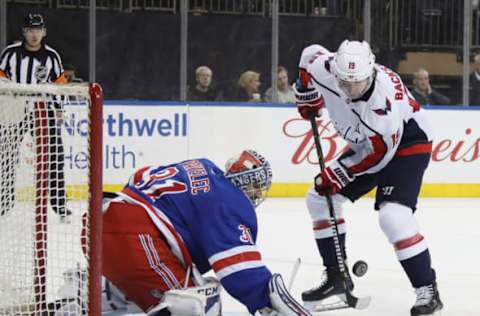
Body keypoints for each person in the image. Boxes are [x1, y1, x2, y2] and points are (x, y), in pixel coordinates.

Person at [293, 41, 443, 315]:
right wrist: (305, 92)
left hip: (407, 142)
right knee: (318, 199)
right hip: (369, 142)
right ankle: (337, 276)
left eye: (357, 84)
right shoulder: (327, 68)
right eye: (343, 82)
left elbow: (379, 156)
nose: (349, 90)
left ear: (371, 73)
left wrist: (340, 172)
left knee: (393, 217)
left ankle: (428, 289)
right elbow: (309, 54)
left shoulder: (381, 108)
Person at [101, 150, 311, 316]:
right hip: (135, 238)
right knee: (196, 304)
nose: (256, 193)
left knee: (172, 284)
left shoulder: (201, 166)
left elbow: (140, 177)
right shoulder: (227, 200)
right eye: (255, 185)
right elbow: (239, 270)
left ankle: (105, 293)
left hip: (100, 223)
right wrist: (267, 297)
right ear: (241, 181)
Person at [0, 13, 70, 221]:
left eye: (37, 30)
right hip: (15, 109)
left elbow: (59, 85)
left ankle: (59, 206)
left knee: (55, 155)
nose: (34, 34)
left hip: (43, 110)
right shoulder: (10, 54)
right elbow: (1, 78)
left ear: (44, 32)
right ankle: (4, 203)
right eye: (30, 30)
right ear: (24, 31)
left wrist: (59, 108)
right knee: (6, 155)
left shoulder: (51, 56)